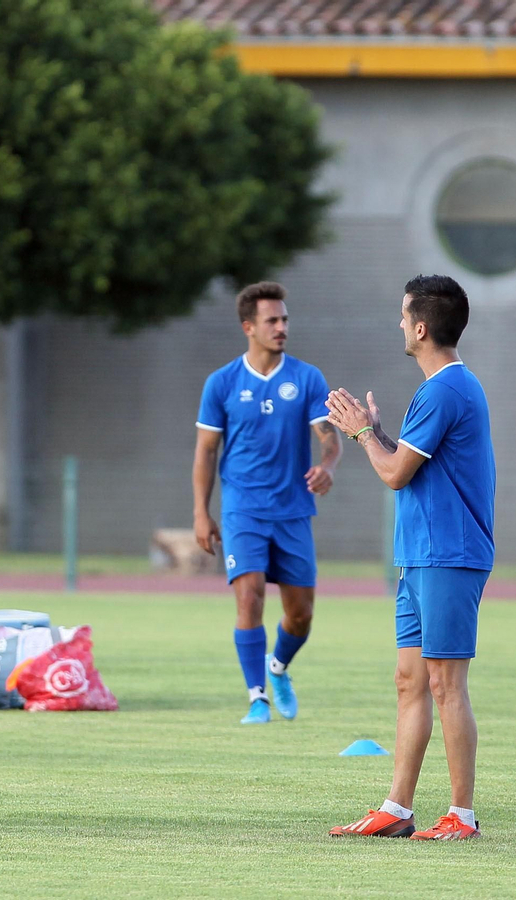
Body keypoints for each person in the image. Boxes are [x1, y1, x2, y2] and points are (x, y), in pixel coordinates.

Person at [327, 275, 493, 841]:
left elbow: (396, 473)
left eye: (403, 316)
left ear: (421, 328)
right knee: (409, 681)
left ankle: (461, 816)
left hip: (450, 554)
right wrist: (375, 432)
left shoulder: (446, 389)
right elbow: (408, 462)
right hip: (422, 555)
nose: (399, 323)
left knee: (446, 683)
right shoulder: (441, 389)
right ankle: (397, 808)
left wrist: (361, 435)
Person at [193, 282, 340, 725]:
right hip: (243, 509)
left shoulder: (307, 378)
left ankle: (278, 668)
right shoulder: (221, 383)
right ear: (249, 327)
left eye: (285, 319)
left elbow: (329, 437)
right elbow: (206, 452)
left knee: (301, 615)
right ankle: (256, 698)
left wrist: (328, 465)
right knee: (250, 596)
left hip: (293, 510)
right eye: (272, 320)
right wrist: (201, 512)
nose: (281, 327)